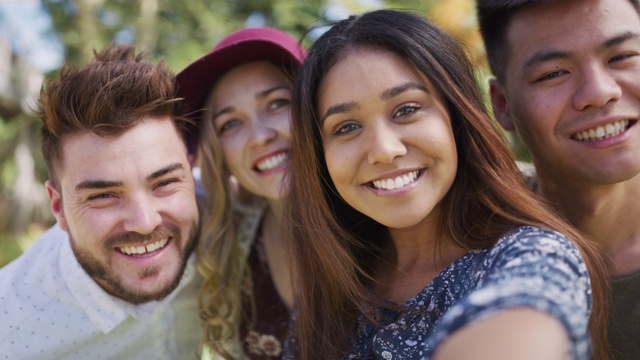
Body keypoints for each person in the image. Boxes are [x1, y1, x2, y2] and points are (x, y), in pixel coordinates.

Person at [282, 9, 609, 360]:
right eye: (346, 127)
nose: (384, 150)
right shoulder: (332, 288)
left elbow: (525, 323)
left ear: (457, 117)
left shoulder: (534, 254)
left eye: (406, 109)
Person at [0, 44, 202, 359]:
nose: (146, 221)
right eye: (103, 195)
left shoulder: (226, 219)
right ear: (58, 207)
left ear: (191, 174)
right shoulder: (10, 333)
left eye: (164, 183)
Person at [476, 0, 640, 358]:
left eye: (622, 57)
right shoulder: (463, 240)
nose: (599, 92)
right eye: (553, 74)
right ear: (502, 105)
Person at [176, 28, 306, 359]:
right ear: (219, 154)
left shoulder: (388, 223)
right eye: (230, 124)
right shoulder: (230, 242)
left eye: (277, 103)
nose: (260, 136)